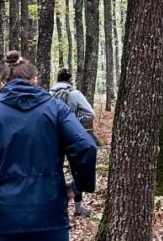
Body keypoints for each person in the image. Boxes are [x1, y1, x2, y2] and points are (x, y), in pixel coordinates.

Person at [0, 51, 97, 241]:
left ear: (2, 83)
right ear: (35, 80)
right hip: (50, 215)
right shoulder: (57, 109)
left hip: (3, 217)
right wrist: (78, 186)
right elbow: (86, 146)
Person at [50, 69, 95, 217]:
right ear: (70, 80)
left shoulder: (48, 95)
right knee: (77, 170)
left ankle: (56, 206)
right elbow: (90, 114)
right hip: (72, 138)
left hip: (53, 138)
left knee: (55, 171)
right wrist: (75, 123)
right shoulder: (75, 94)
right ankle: (77, 208)